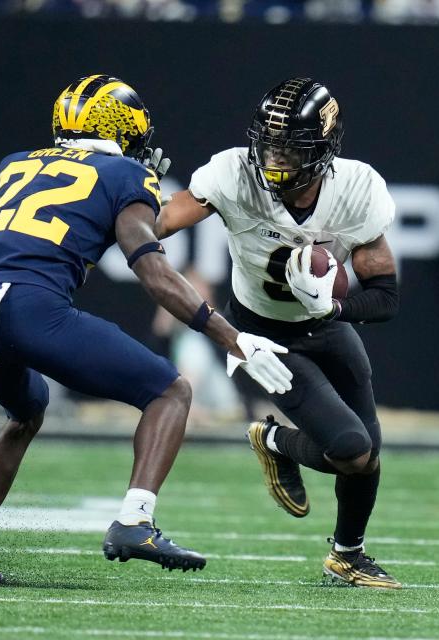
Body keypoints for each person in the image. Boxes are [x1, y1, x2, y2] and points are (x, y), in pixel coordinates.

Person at [0, 74, 293, 584]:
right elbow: (153, 273)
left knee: (24, 413)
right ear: (123, 128)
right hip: (35, 308)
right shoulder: (125, 175)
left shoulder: (13, 166)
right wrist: (232, 338)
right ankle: (135, 521)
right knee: (170, 391)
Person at [155, 77, 402, 589]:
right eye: (269, 143)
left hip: (324, 326)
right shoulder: (233, 173)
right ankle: (273, 438)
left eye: (291, 147)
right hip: (260, 335)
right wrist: (117, 202)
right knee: (351, 449)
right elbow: (158, 222)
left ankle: (347, 556)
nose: (275, 158)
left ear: (323, 148)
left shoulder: (356, 188)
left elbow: (385, 294)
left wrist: (334, 305)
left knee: (367, 456)